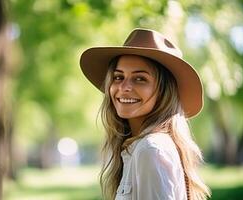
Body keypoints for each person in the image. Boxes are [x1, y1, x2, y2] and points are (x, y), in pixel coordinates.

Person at [79, 28, 211, 200]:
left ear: (164, 91)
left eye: (140, 78)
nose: (124, 87)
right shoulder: (140, 148)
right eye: (118, 77)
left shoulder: (150, 150)